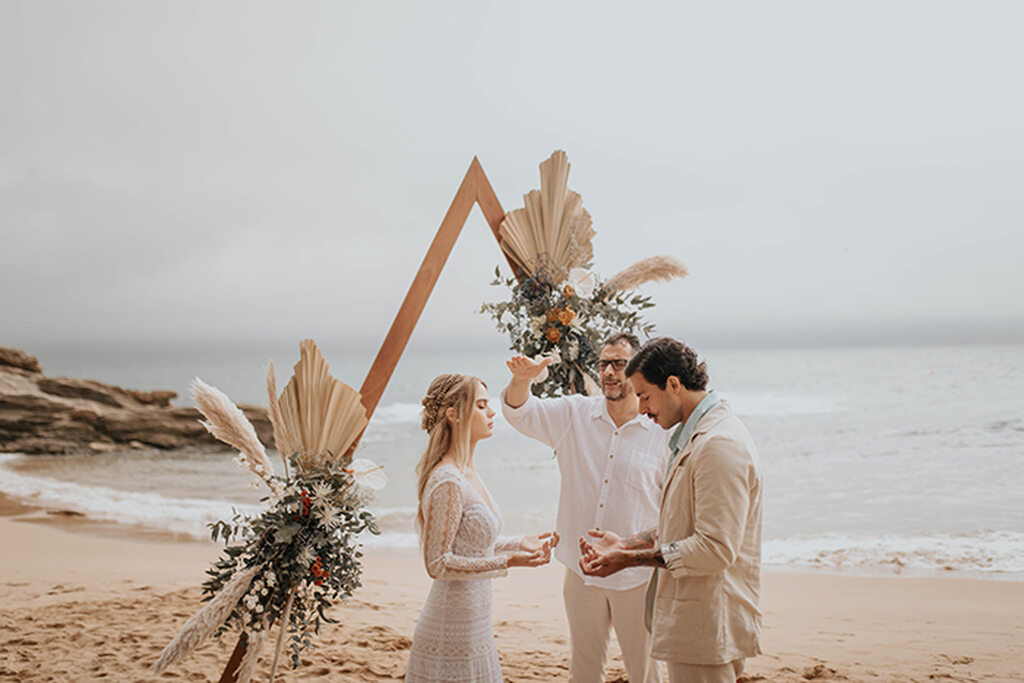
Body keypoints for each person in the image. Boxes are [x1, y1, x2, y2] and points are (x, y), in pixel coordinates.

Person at [579, 337, 763, 683]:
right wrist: (626, 543)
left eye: (645, 396)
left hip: (707, 626)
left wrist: (629, 560)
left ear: (674, 384)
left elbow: (715, 549)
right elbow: (683, 524)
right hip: (693, 625)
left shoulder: (718, 444)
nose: (642, 409)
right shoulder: (695, 437)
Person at [502, 333, 669, 683]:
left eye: (619, 364)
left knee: (646, 672)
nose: (609, 372)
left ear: (640, 371)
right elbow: (521, 412)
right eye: (604, 363)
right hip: (581, 572)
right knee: (584, 669)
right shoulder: (574, 413)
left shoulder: (661, 431)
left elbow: (673, 507)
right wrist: (521, 380)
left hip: (638, 577)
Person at [406, 373, 559, 683]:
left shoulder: (467, 472)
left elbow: (470, 543)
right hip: (450, 629)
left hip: (475, 627)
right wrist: (509, 562)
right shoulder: (448, 480)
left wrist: (519, 543)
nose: (491, 413)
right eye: (481, 405)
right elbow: (437, 564)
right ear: (454, 415)